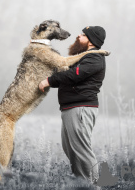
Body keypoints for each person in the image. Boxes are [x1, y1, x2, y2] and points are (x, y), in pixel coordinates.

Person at [39, 26, 107, 183]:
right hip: (72, 109)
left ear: (91, 41)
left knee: (82, 151)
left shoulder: (94, 58)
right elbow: (64, 73)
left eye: (83, 35)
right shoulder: (84, 57)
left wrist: (49, 81)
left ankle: (94, 186)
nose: (78, 35)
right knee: (71, 150)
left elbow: (73, 75)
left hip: (81, 109)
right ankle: (82, 184)